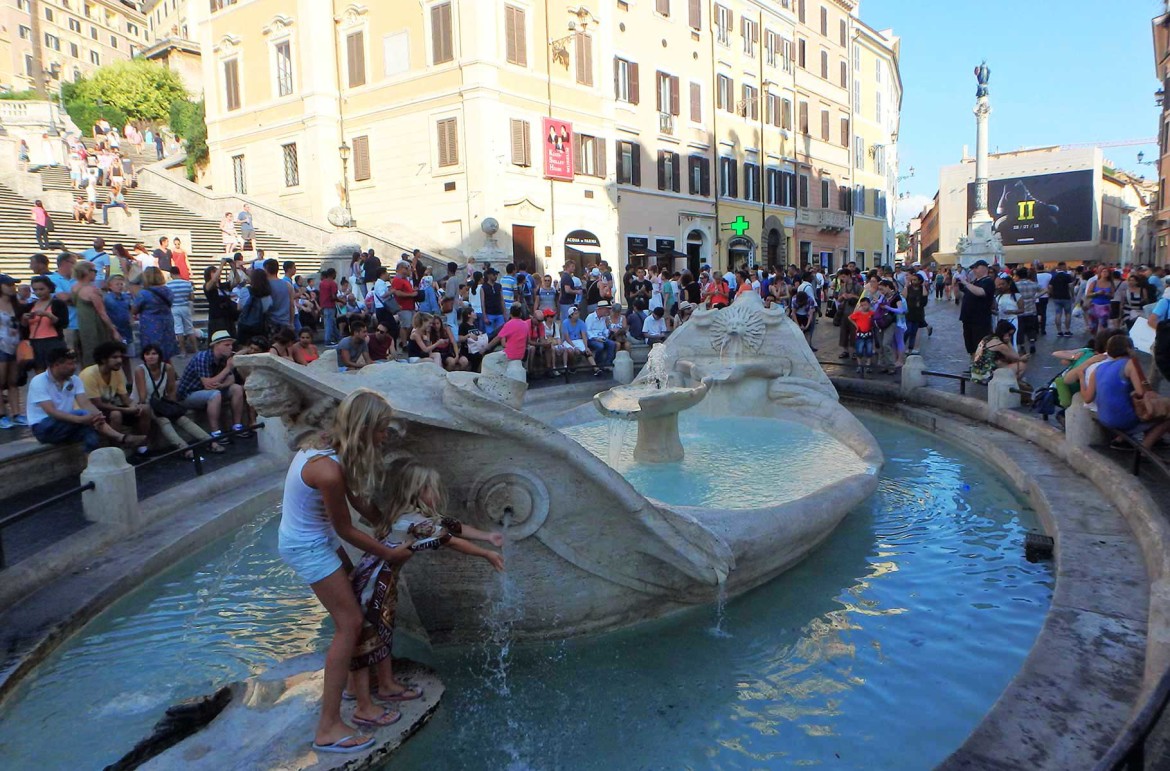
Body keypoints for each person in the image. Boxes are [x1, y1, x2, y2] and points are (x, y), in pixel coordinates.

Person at [276, 391, 415, 753]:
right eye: (382, 430)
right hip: (308, 546)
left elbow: (358, 503)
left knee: (361, 605)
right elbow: (346, 529)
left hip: (316, 538)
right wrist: (389, 552)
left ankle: (362, 693)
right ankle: (329, 727)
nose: (385, 438)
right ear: (365, 428)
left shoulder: (329, 445)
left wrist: (386, 523)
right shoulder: (327, 469)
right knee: (349, 624)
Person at [346, 460, 502, 729]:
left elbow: (454, 526)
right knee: (368, 638)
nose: (437, 494)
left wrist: (489, 537)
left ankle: (383, 684)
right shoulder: (415, 522)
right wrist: (486, 553)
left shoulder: (406, 514)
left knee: (382, 631)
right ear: (419, 491)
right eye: (433, 489)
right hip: (375, 584)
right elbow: (452, 540)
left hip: (377, 579)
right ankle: (365, 701)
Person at [27, 347, 145, 453]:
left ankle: (92, 470)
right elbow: (52, 412)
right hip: (43, 428)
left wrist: (98, 415)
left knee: (90, 432)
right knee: (83, 415)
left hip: (67, 423)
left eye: (74, 363)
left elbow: (85, 403)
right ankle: (121, 438)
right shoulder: (38, 381)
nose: (74, 367)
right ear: (56, 365)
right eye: (70, 364)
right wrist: (80, 419)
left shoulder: (74, 380)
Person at [135, 343, 222, 458]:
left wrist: (172, 408)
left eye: (154, 354)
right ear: (143, 356)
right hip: (145, 404)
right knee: (163, 420)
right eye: (147, 354)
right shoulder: (140, 370)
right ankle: (183, 448)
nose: (151, 357)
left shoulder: (167, 368)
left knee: (182, 418)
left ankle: (210, 441)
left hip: (161, 402)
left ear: (159, 356)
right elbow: (142, 396)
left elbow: (171, 391)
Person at [1084, 334, 1170, 450]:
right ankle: (1144, 450)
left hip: (1104, 416)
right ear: (1129, 349)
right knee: (1165, 415)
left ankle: (1121, 440)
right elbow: (1140, 392)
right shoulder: (1130, 363)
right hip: (1122, 419)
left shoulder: (1099, 368)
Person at [79, 341, 152, 455]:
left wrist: (135, 407)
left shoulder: (116, 372)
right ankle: (117, 453)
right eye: (115, 357)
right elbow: (97, 404)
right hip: (91, 413)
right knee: (116, 414)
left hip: (109, 409)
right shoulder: (89, 374)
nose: (120, 360)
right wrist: (126, 410)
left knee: (145, 409)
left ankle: (142, 447)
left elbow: (125, 399)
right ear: (103, 359)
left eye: (120, 357)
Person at [176, 330, 250, 442]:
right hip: (189, 394)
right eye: (227, 345)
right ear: (216, 345)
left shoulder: (224, 358)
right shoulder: (202, 357)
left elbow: (231, 379)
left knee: (237, 388)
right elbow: (208, 384)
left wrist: (221, 384)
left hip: (210, 390)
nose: (230, 348)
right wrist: (227, 368)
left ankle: (237, 426)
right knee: (214, 395)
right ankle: (215, 433)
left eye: (231, 345)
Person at [72, 260, 120, 368]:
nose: (96, 272)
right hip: (96, 327)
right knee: (100, 356)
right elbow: (102, 313)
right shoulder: (91, 290)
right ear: (87, 272)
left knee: (87, 355)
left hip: (83, 326)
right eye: (94, 270)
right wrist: (114, 330)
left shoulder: (75, 287)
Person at [24, 275, 67, 374]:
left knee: (56, 370)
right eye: (35, 289)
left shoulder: (58, 304)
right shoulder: (30, 305)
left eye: (41, 289)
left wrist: (48, 315)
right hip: (34, 341)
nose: (38, 292)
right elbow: (24, 327)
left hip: (53, 340)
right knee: (39, 370)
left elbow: (63, 323)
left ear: (49, 288)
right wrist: (24, 319)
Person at [135, 267, 179, 362]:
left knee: (152, 351)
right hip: (167, 322)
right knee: (166, 353)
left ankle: (155, 373)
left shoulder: (143, 293)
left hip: (150, 324)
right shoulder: (168, 291)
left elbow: (135, 309)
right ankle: (169, 372)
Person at [956, 259, 997, 360]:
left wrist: (966, 283)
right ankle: (973, 364)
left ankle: (980, 366)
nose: (974, 270)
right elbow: (963, 294)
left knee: (979, 343)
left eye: (976, 268)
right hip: (968, 318)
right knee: (970, 344)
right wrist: (956, 287)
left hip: (979, 319)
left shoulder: (988, 281)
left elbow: (981, 292)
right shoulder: (974, 282)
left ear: (984, 268)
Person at [0, 275, 26, 428]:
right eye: (8, 285)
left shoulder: (17, 305)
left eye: (13, 285)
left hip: (15, 345)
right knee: (0, 381)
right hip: (1, 345)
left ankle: (17, 413)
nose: (12, 287)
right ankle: (2, 414)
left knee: (13, 381)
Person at [971, 320, 1029, 386]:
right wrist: (1009, 343)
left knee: (1002, 362)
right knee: (1022, 365)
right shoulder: (999, 344)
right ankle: (1010, 385)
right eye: (1010, 335)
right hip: (985, 375)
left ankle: (1010, 382)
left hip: (976, 373)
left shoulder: (987, 338)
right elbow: (1016, 357)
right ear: (1004, 333)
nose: (1010, 337)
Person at [166, 266, 198, 355]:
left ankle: (183, 351)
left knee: (178, 329)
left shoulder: (168, 285)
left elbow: (167, 299)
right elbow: (192, 298)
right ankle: (196, 349)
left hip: (174, 308)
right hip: (185, 307)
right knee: (189, 328)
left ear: (171, 274)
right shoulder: (187, 284)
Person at [561, 306, 599, 374]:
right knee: (570, 351)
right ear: (571, 315)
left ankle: (596, 368)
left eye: (578, 313)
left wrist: (586, 347)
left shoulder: (581, 322)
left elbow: (584, 335)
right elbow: (566, 337)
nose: (578, 315)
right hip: (568, 341)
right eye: (575, 314)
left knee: (587, 351)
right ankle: (572, 366)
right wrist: (574, 347)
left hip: (578, 340)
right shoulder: (565, 323)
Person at [585, 301, 617, 372]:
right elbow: (587, 331)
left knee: (612, 344)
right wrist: (596, 338)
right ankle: (598, 364)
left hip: (602, 338)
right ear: (600, 309)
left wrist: (608, 330)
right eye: (606, 309)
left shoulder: (604, 318)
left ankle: (607, 364)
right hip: (592, 339)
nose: (607, 311)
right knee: (600, 346)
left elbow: (604, 330)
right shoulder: (590, 317)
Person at [849, 296, 877, 377]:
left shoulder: (871, 313)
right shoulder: (858, 314)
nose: (864, 307)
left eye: (865, 305)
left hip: (869, 334)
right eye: (862, 305)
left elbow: (875, 319)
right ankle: (859, 365)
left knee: (869, 350)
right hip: (860, 334)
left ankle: (868, 365)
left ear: (869, 305)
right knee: (859, 350)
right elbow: (850, 317)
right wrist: (856, 325)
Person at [1048, 261, 1075, 337]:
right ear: (1063, 267)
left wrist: (1052, 294)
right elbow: (1071, 286)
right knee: (1068, 314)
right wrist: (1072, 295)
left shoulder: (1054, 276)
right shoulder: (1067, 276)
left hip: (1056, 297)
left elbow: (1050, 287)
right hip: (1066, 297)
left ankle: (1059, 331)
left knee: (1058, 314)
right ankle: (1067, 330)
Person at [480, 269, 505, 336]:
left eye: (496, 275)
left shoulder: (499, 286)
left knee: (501, 333)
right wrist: (484, 316)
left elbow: (502, 300)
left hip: (499, 313)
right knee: (490, 334)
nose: (496, 276)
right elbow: (482, 303)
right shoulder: (483, 287)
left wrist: (504, 313)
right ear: (489, 275)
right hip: (489, 313)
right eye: (494, 275)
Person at [319, 268, 340, 345]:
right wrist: (341, 301)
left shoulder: (322, 283)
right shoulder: (333, 283)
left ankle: (338, 337)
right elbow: (333, 296)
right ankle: (327, 340)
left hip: (324, 305)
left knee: (331, 322)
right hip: (330, 305)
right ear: (333, 274)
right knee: (329, 323)